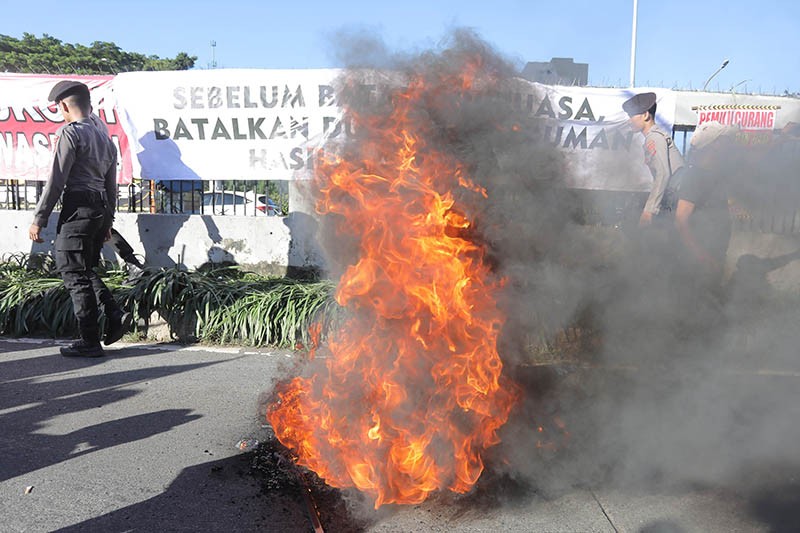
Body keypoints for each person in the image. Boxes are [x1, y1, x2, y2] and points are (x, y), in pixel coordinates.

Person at [28, 80, 132, 357]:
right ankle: (114, 312)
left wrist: (39, 218)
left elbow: (56, 181)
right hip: (99, 210)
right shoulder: (105, 139)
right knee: (83, 268)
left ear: (63, 106)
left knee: (73, 272)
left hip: (78, 208)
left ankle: (89, 341)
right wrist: (108, 222)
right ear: (89, 105)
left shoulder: (71, 133)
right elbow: (111, 188)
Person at [674, 121, 739, 291]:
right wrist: (703, 257)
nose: (730, 144)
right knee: (697, 300)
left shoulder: (714, 173)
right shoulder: (695, 176)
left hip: (713, 254)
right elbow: (681, 221)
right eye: (725, 140)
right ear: (714, 145)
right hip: (698, 262)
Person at [623, 92, 686, 226]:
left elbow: (663, 173)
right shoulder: (653, 137)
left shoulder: (654, 138)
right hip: (677, 196)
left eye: (632, 115)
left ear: (646, 115)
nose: (629, 121)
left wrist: (649, 210)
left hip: (678, 196)